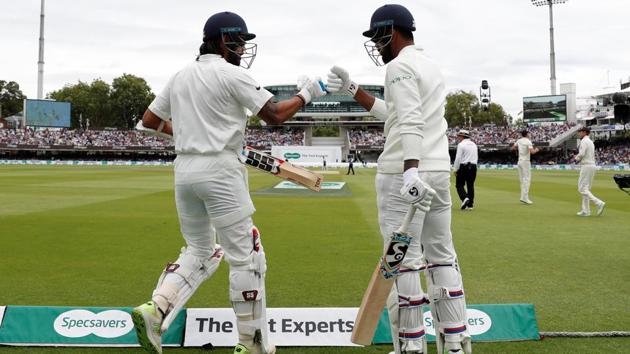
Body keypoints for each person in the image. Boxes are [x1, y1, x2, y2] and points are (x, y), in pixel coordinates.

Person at [132, 11, 326, 354]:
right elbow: (276, 115)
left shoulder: (180, 76)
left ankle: (156, 308)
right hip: (221, 171)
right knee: (246, 258)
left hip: (185, 170)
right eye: (239, 41)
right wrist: (307, 94)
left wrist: (193, 134)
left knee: (199, 251)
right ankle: (250, 343)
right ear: (222, 40)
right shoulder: (231, 73)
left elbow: (148, 121)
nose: (242, 49)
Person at [326, 4, 471, 353]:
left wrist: (409, 169)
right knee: (441, 256)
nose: (376, 45)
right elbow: (394, 114)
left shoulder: (399, 66)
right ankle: (454, 344)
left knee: (402, 263)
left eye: (377, 37)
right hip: (436, 170)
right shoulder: (430, 66)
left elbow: (408, 120)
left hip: (404, 175)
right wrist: (352, 88)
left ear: (391, 31)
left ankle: (411, 348)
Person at [574, 126, 605, 216]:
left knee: (582, 188)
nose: (579, 133)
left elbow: (582, 153)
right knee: (586, 189)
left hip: (586, 165)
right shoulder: (590, 141)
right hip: (592, 165)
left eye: (580, 132)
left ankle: (598, 203)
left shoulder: (584, 141)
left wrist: (576, 158)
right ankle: (586, 211)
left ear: (584, 132)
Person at [511, 129, 539, 204]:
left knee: (522, 180)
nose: (530, 135)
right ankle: (525, 198)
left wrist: (519, 149)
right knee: (527, 180)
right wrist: (537, 149)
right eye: (529, 134)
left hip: (519, 161)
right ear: (526, 134)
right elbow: (532, 152)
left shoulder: (519, 140)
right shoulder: (528, 141)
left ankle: (522, 197)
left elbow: (512, 148)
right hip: (525, 162)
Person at [453, 129, 478, 210]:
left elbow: (458, 158)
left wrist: (455, 169)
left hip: (464, 166)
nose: (458, 137)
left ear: (462, 136)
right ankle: (470, 205)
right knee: (470, 186)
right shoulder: (474, 144)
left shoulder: (461, 145)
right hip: (473, 166)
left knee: (459, 185)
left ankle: (464, 198)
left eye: (459, 136)